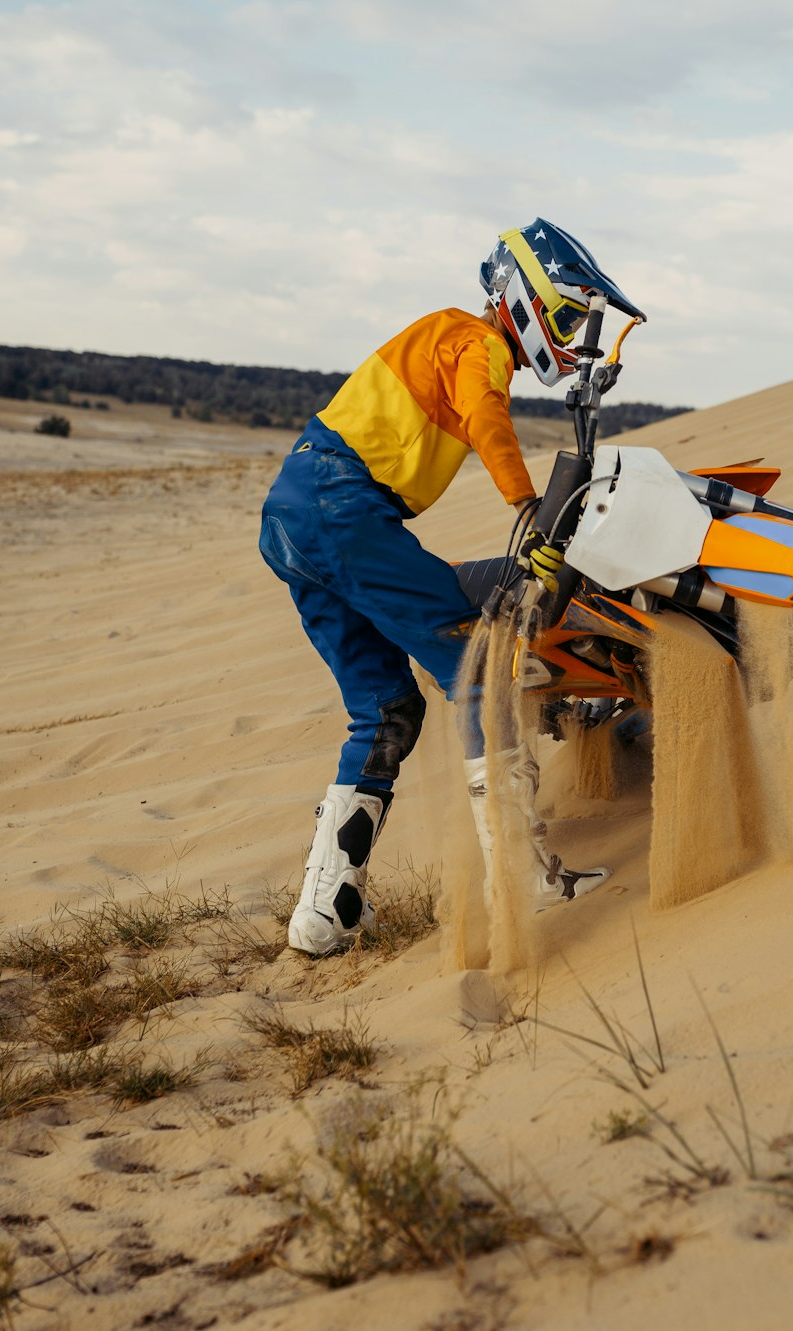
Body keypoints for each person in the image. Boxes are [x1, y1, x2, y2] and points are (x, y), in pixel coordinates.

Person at [260, 219, 646, 957]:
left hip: (295, 512)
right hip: (344, 506)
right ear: (523, 300)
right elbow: (485, 418)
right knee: (476, 673)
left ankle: (322, 913)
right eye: (565, 315)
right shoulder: (478, 343)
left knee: (385, 710)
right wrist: (528, 507)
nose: (569, 337)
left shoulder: (450, 338)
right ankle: (521, 874)